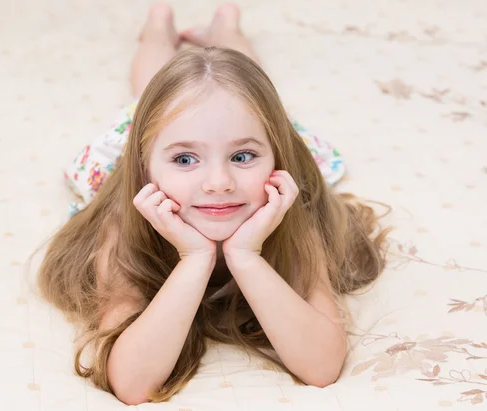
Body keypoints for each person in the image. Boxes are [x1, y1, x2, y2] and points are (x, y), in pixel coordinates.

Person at [36, 2, 390, 406]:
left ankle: (227, 26)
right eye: (184, 160)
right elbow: (132, 385)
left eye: (243, 157)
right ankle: (157, 29)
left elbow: (322, 367)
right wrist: (193, 259)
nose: (219, 184)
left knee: (247, 93)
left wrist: (246, 256)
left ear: (275, 157)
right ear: (145, 169)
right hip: (147, 132)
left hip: (236, 125)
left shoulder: (291, 217)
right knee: (146, 95)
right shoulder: (124, 227)